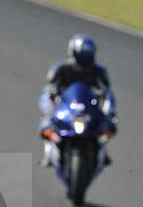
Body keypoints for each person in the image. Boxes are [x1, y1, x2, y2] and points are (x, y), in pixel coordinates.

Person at [39, 34, 117, 167]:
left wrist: (109, 110)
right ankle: (49, 153)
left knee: (109, 126)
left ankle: (102, 149)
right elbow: (49, 89)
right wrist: (50, 103)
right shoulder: (60, 69)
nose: (84, 61)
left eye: (87, 56)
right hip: (65, 108)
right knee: (46, 125)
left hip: (89, 108)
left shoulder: (99, 71)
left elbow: (107, 92)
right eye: (82, 56)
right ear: (73, 54)